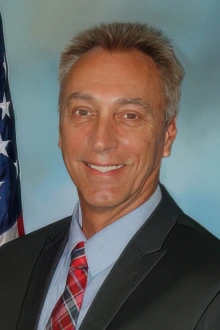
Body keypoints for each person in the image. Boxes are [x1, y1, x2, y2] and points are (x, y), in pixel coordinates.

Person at [0, 22, 220, 330]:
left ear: (167, 135)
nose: (101, 141)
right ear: (61, 128)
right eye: (83, 112)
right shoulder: (9, 264)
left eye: (130, 115)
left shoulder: (212, 285)